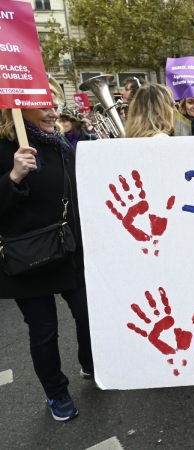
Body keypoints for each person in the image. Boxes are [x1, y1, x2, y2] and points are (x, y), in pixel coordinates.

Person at [0, 88, 94, 421]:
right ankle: (56, 393)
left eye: (53, 104)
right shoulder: (7, 148)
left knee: (88, 314)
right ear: (16, 108)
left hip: (68, 250)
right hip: (27, 259)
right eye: (42, 105)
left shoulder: (60, 145)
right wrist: (14, 176)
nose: (52, 112)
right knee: (44, 331)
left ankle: (89, 361)